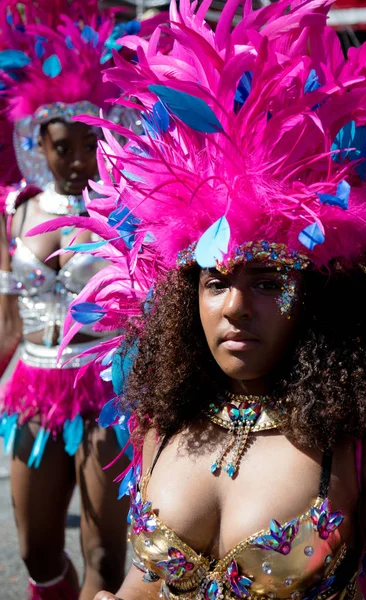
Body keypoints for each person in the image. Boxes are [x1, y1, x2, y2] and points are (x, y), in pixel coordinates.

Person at [37, 1, 366, 598]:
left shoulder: (360, 438)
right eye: (216, 281)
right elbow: (145, 583)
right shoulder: (162, 418)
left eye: (267, 281)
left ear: (315, 296)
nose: (235, 307)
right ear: (187, 297)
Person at [0, 2, 149, 597]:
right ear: (39, 141)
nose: (79, 160)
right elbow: (8, 320)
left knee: (105, 557)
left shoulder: (127, 206)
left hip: (107, 387)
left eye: (91, 142)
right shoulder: (14, 210)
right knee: (37, 551)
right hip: (36, 386)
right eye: (64, 146)